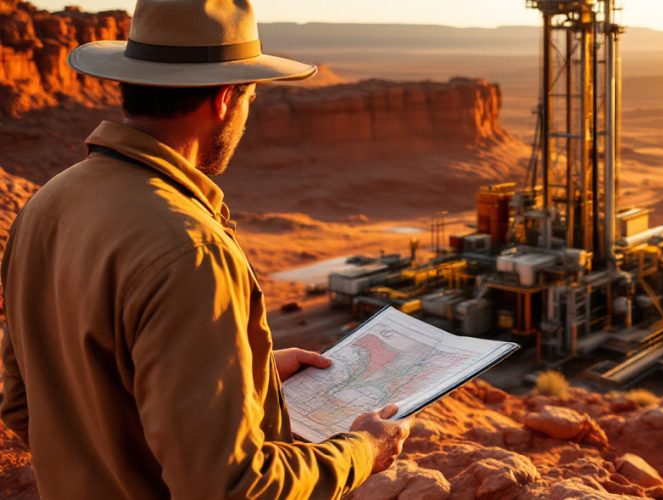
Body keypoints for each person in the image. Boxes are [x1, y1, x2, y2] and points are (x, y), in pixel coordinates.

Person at [0, 0, 410, 498]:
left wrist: (248, 374)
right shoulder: (190, 249)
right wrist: (361, 451)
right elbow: (230, 487)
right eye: (251, 99)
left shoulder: (44, 206)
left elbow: (25, 405)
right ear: (223, 100)